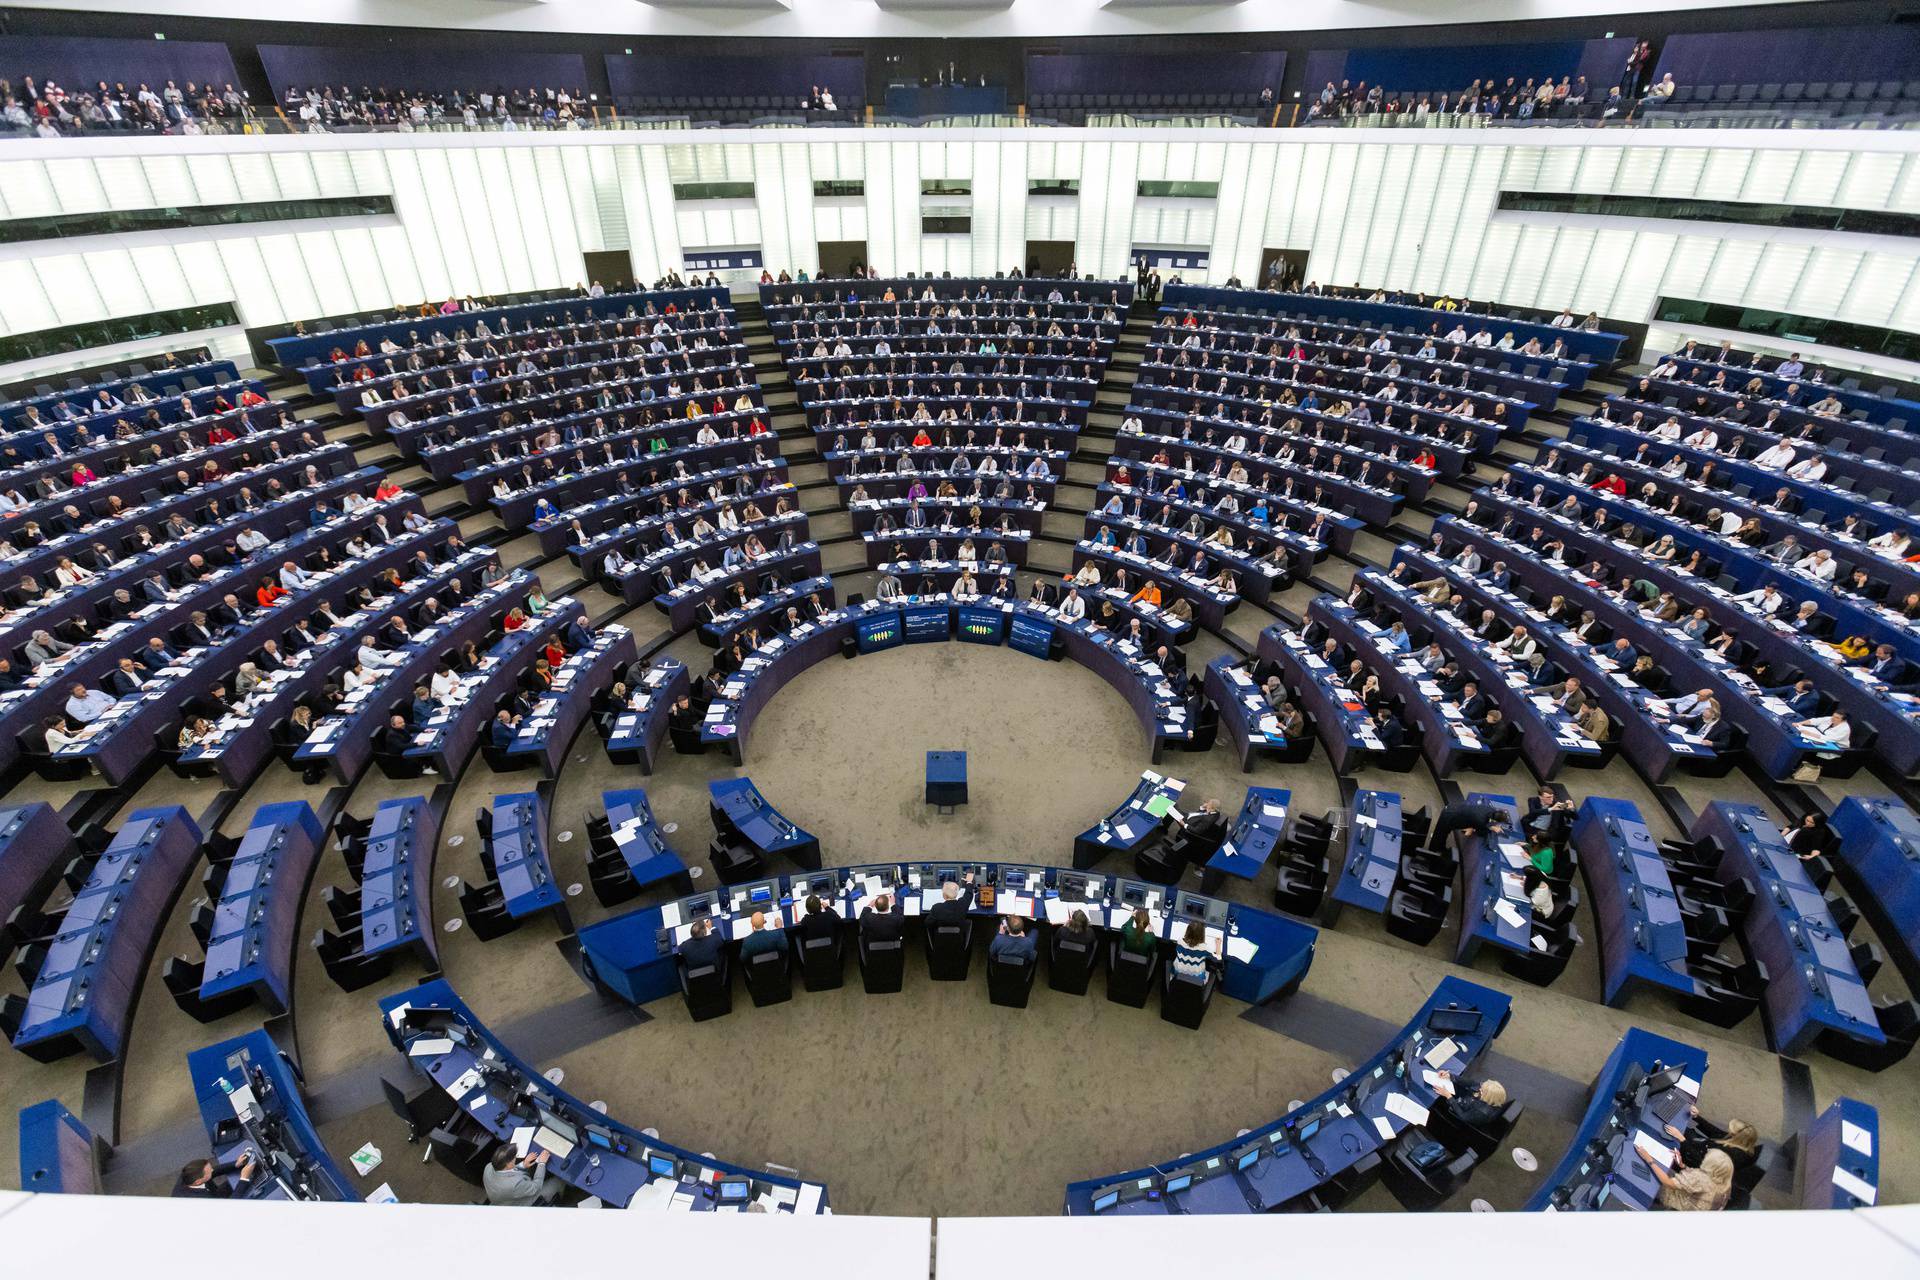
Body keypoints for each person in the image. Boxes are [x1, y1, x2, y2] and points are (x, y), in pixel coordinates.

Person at [1640, 1144, 1734, 1211]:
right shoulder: (1725, 1183)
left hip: (1678, 1205)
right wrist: (1682, 1165)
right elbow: (1694, 1181)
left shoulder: (1701, 1179)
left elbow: (1667, 1182)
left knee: (1648, 1173)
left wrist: (1649, 1160)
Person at [483, 1144, 559, 1206]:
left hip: (503, 1199)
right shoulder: (514, 1185)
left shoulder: (489, 1166)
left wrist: (523, 1164)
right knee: (558, 1182)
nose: (516, 1158)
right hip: (519, 1203)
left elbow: (506, 1171)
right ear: (508, 1164)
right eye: (514, 1158)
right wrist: (542, 1163)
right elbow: (536, 1187)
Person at [1431, 1073, 1507, 1128]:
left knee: (1436, 1099)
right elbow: (1472, 1083)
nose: (1479, 1088)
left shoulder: (1481, 1112)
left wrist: (1448, 1096)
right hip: (1466, 1101)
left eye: (1482, 1090)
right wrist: (1451, 1076)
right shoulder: (1490, 1095)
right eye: (1482, 1086)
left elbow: (1463, 1116)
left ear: (1487, 1096)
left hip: (1460, 1114)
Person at [173, 1150, 260, 1197]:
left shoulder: (188, 1173)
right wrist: (244, 1178)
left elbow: (212, 1171)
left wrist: (235, 1164)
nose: (212, 1170)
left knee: (234, 1184)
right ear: (198, 1182)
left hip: (213, 1192)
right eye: (209, 1170)